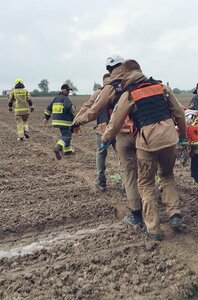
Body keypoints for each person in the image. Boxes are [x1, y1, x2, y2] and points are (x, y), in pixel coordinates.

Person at [101, 59, 187, 241]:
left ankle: (153, 229)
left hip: (148, 142)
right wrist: (183, 135)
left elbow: (116, 121)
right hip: (170, 139)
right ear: (140, 70)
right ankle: (174, 214)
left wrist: (106, 139)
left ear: (125, 75)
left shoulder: (129, 94)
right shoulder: (161, 87)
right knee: (167, 175)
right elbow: (179, 112)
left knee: (146, 183)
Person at [72, 55, 143, 227]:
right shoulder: (139, 81)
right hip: (143, 132)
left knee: (128, 171)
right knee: (145, 170)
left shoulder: (109, 88)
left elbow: (92, 110)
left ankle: (137, 214)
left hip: (121, 133)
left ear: (109, 70)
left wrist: (77, 121)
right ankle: (153, 205)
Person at [75, 73, 117, 191]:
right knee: (122, 157)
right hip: (118, 129)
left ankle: (101, 181)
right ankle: (126, 182)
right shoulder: (119, 90)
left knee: (101, 154)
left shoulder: (99, 93)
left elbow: (86, 107)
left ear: (103, 81)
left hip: (102, 129)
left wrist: (76, 122)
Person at [44, 84, 76, 160]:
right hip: (64, 121)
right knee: (67, 136)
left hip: (56, 121)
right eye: (67, 90)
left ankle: (68, 151)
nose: (68, 92)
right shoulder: (66, 99)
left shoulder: (55, 98)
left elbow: (48, 108)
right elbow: (69, 108)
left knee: (65, 134)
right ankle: (58, 147)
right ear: (62, 90)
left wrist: (46, 118)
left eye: (69, 91)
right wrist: (73, 116)